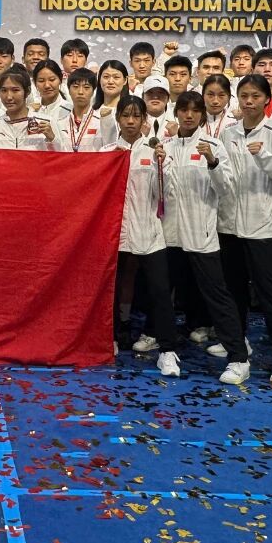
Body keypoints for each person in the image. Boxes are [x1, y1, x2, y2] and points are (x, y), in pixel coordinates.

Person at [215, 73, 272, 386]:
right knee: (233, 290)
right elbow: (223, 177)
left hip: (261, 226)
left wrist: (263, 155)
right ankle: (238, 346)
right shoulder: (228, 133)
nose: (249, 102)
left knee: (269, 292)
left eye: (255, 96)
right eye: (244, 96)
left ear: (266, 99)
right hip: (229, 224)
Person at [161, 90, 245, 376]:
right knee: (163, 294)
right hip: (170, 234)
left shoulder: (214, 146)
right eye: (184, 110)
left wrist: (212, 162)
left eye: (195, 110)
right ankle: (166, 349)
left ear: (202, 115)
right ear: (176, 113)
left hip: (202, 232)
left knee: (217, 295)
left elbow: (227, 189)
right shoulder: (165, 147)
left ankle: (239, 357)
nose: (189, 115)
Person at [103, 95, 179, 368]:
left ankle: (167, 350)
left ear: (144, 120)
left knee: (160, 290)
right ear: (118, 119)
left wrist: (162, 166)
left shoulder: (154, 151)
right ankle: (109, 338)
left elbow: (165, 194)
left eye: (136, 116)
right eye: (126, 115)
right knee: (110, 290)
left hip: (149, 230)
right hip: (115, 232)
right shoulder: (107, 151)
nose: (131, 121)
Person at [0, 66, 67, 150]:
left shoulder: (46, 123)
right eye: (4, 90)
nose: (9, 97)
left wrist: (52, 140)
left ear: (27, 91)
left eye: (15, 90)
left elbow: (63, 157)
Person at [65, 67, 112, 152]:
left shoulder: (101, 121)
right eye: (75, 87)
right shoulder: (60, 122)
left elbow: (110, 150)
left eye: (86, 87)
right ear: (69, 90)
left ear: (93, 91)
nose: (80, 92)